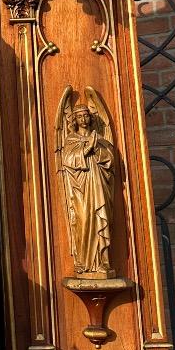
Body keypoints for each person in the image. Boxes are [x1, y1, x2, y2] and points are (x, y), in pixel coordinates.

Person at [60, 104, 115, 275]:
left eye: (86, 116)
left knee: (100, 218)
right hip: (80, 189)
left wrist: (96, 148)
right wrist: (86, 149)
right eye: (80, 117)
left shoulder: (98, 138)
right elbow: (68, 159)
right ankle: (84, 261)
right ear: (74, 120)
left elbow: (110, 160)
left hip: (98, 185)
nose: (84, 119)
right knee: (84, 220)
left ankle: (102, 262)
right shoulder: (71, 140)